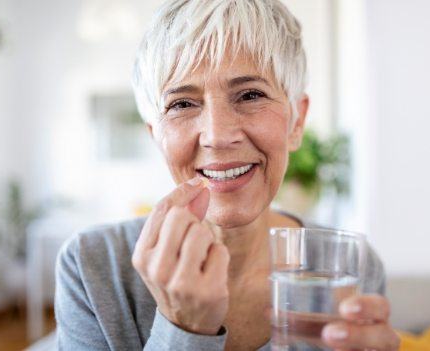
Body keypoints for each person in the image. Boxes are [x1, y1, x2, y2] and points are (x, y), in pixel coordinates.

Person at [55, 0, 400, 350]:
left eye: (250, 95)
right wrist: (183, 328)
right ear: (156, 135)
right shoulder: (91, 266)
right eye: (182, 104)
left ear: (297, 122)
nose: (217, 135)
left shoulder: (349, 265)